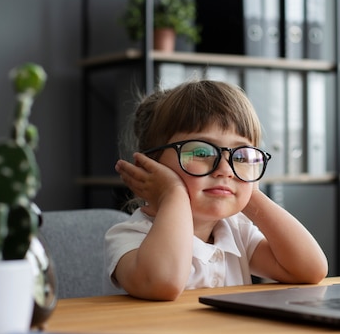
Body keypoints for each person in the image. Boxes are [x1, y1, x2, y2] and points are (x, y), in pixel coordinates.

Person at [104, 79, 328, 300]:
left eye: (241, 156)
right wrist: (173, 194)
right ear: (151, 164)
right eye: (201, 153)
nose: (225, 170)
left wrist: (250, 194)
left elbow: (310, 270)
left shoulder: (236, 232)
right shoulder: (130, 235)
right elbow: (162, 282)